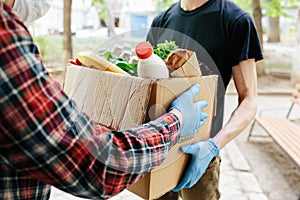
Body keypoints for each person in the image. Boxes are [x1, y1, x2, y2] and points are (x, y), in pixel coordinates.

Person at [0, 1, 211, 199]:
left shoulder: (235, 19)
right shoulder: (5, 34)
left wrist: (215, 144)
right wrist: (177, 120)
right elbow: (97, 163)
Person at [147, 0, 264, 199]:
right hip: (159, 150)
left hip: (199, 154)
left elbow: (249, 101)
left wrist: (213, 146)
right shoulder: (162, 20)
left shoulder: (235, 20)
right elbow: (146, 87)